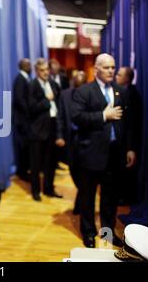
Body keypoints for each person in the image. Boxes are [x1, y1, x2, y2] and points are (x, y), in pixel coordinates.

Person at [71, 53, 136, 248]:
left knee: (110, 199)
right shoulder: (84, 91)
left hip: (115, 154)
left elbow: (127, 122)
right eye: (106, 67)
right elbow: (77, 118)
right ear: (96, 68)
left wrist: (130, 148)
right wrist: (103, 115)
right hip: (91, 153)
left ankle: (107, 233)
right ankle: (88, 233)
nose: (111, 71)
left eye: (113, 67)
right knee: (88, 198)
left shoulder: (120, 91)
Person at [28, 58, 62, 201]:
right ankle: (36, 191)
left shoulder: (54, 84)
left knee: (51, 162)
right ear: (37, 71)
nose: (45, 72)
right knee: (36, 164)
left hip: (53, 126)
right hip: (38, 130)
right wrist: (46, 100)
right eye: (42, 70)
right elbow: (31, 107)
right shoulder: (32, 85)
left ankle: (49, 188)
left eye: (47, 69)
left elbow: (59, 104)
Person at [56, 71, 87, 214]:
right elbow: (60, 117)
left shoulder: (90, 95)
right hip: (70, 139)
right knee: (73, 170)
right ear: (73, 83)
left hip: (86, 140)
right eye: (77, 85)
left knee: (84, 172)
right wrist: (60, 135)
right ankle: (83, 196)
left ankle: (81, 202)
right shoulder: (65, 95)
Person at [115, 66, 143, 205]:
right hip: (123, 141)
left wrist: (131, 147)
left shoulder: (131, 95)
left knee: (126, 171)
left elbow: (132, 123)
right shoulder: (122, 92)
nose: (116, 76)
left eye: (119, 75)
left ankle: (125, 198)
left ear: (127, 78)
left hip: (128, 142)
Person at [12, 58, 32, 182]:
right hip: (22, 119)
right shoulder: (20, 79)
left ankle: (25, 170)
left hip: (25, 119)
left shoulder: (25, 78)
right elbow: (19, 99)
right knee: (23, 147)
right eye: (28, 64)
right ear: (23, 66)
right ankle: (22, 172)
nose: (30, 66)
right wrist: (29, 111)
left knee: (26, 147)